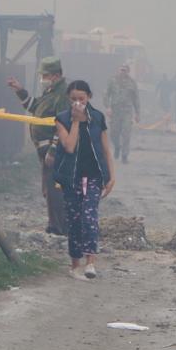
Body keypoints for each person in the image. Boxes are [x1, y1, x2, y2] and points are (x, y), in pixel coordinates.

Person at [54, 80, 116, 280]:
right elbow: (69, 146)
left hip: (94, 176)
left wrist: (111, 176)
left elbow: (106, 148)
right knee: (74, 220)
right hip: (71, 177)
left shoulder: (97, 117)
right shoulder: (62, 119)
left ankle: (90, 262)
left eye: (81, 98)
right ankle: (75, 264)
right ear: (68, 99)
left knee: (89, 217)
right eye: (74, 99)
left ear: (89, 97)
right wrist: (75, 121)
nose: (78, 102)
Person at [7, 56, 69, 235]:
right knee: (48, 188)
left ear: (55, 75)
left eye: (45, 75)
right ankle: (60, 224)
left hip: (53, 148)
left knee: (53, 188)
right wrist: (20, 91)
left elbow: (62, 124)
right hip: (44, 147)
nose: (42, 78)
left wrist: (54, 149)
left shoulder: (62, 95)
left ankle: (57, 227)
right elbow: (34, 107)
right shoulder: (50, 93)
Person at [103, 64, 140, 164]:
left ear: (128, 71)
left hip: (127, 111)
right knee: (113, 133)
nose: (122, 72)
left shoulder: (132, 83)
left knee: (126, 133)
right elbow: (106, 95)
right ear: (118, 70)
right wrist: (107, 107)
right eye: (121, 70)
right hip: (115, 111)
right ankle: (117, 147)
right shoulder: (112, 81)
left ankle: (124, 155)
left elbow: (136, 99)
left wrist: (137, 113)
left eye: (124, 70)